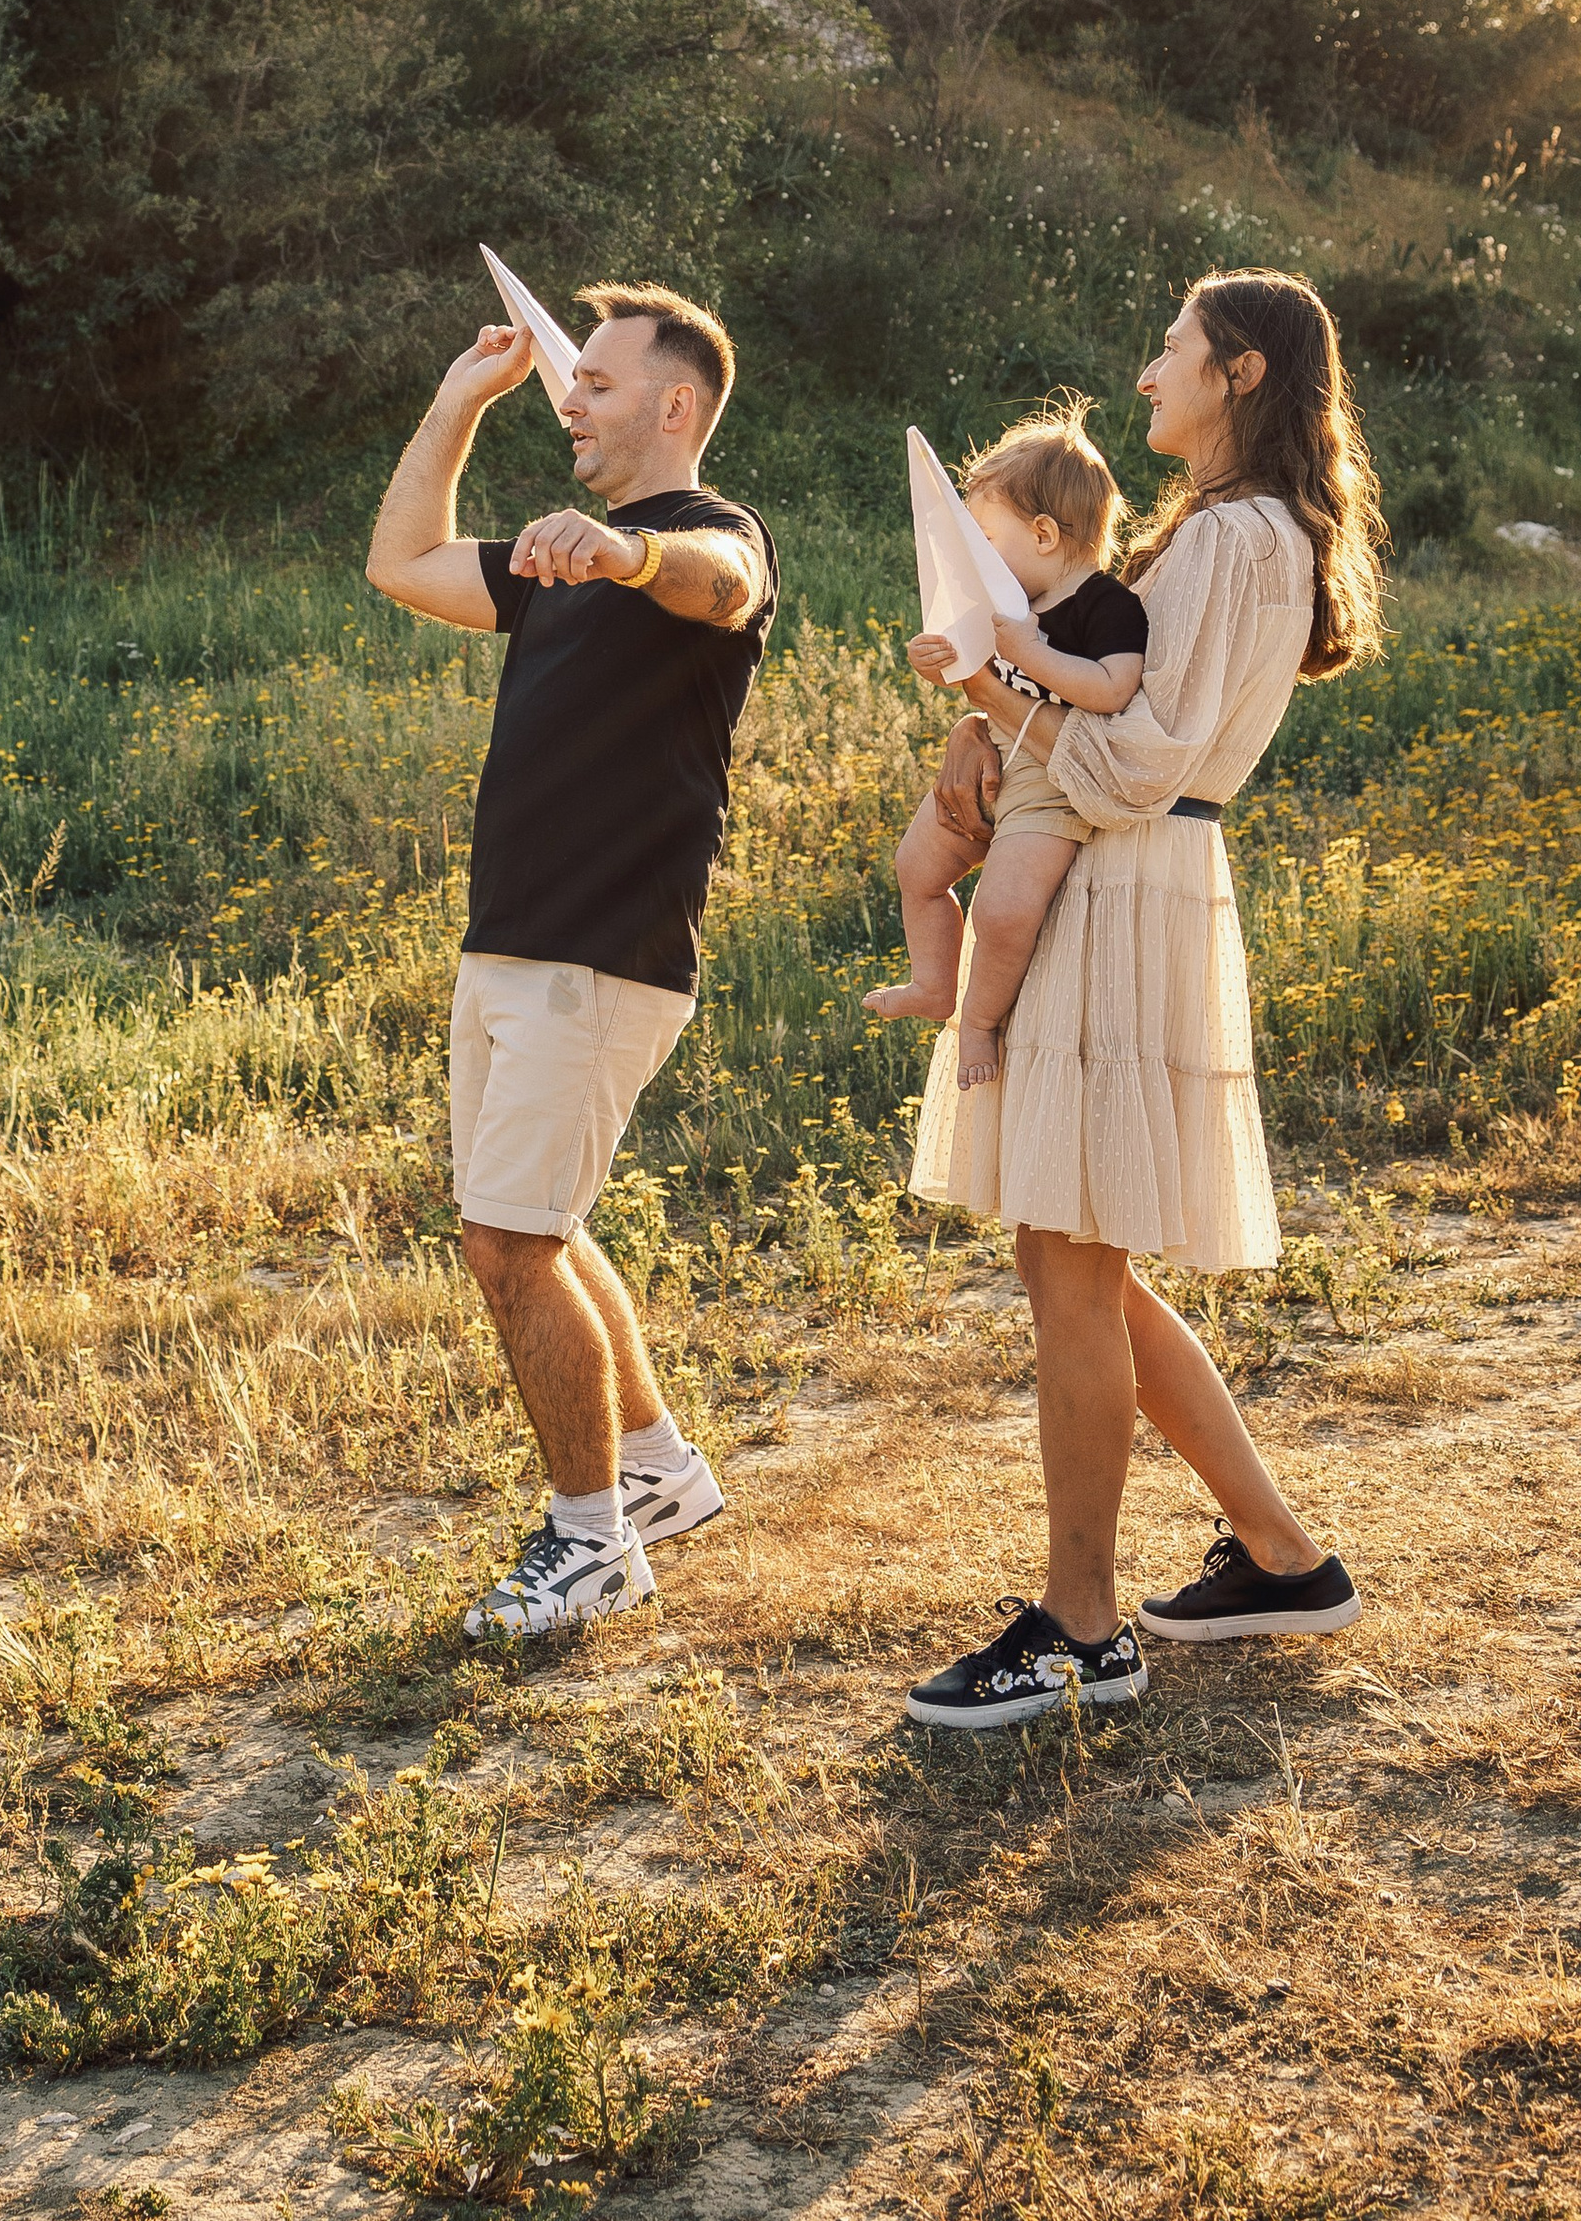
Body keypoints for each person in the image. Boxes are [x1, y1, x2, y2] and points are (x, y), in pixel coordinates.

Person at [900, 270, 1382, 1732]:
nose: (1147, 368)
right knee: (1081, 1257)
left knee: (1070, 1258)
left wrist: (1000, 698)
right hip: (1125, 881)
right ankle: (1286, 1560)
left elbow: (1138, 763)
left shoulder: (1238, 538)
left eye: (1171, 349)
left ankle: (1083, 1626)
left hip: (1129, 882)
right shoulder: (1223, 534)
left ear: (1239, 372)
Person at [366, 279, 777, 1637]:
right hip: (517, 941)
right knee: (530, 1226)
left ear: (675, 405)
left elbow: (724, 587)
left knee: (511, 1240)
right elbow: (402, 563)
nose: (570, 401)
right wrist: (453, 404)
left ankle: (591, 1546)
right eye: (567, 377)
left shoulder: (705, 540)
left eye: (596, 384)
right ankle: (656, 1474)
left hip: (605, 950)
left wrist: (622, 554)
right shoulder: (555, 557)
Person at [864, 411, 1146, 1088]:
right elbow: (978, 682)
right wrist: (940, 661)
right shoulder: (1009, 602)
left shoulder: (1106, 605)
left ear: (1044, 534)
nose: (975, 564)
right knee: (917, 869)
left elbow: (1111, 690)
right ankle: (932, 984)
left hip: (1054, 780)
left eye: (985, 543)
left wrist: (1032, 652)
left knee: (1003, 910)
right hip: (993, 754)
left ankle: (981, 1021)